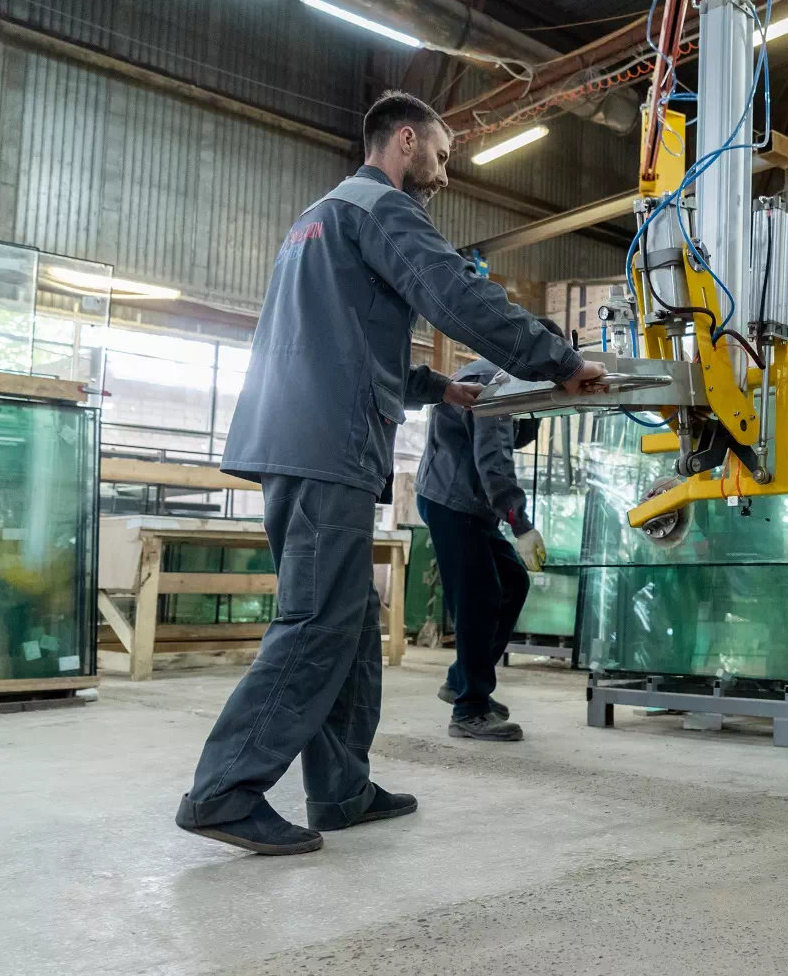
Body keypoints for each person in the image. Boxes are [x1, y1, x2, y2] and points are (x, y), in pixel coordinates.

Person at [174, 90, 606, 856]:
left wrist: (440, 387)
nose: (443, 171)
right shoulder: (381, 208)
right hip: (324, 444)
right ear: (405, 140)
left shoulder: (319, 218)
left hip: (300, 435)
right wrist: (559, 361)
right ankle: (224, 788)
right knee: (316, 618)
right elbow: (455, 294)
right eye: (441, 153)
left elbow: (346, 345)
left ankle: (341, 788)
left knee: (347, 622)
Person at [415, 330, 561, 742]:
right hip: (454, 503)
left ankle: (462, 680)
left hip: (465, 501)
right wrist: (520, 523)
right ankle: (470, 710)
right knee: (477, 601)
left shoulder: (498, 374)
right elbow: (494, 460)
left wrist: (535, 412)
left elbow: (504, 437)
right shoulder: (494, 385)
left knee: (512, 582)